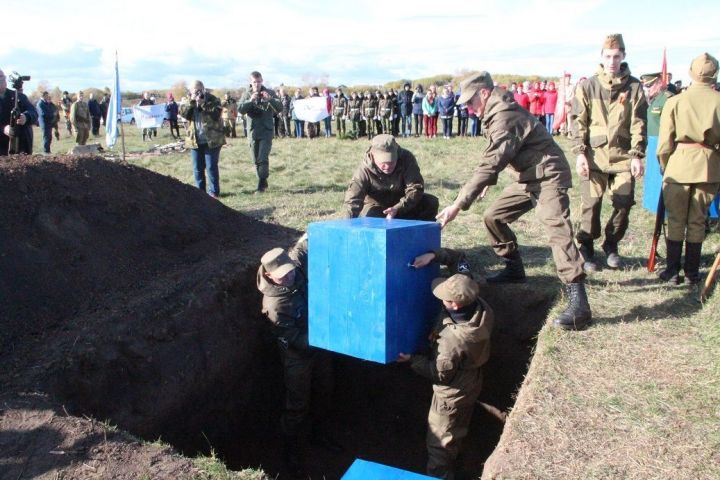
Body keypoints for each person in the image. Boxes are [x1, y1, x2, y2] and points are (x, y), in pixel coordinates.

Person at [436, 71, 592, 330]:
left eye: (471, 102)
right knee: (493, 217)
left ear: (484, 93)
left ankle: (579, 302)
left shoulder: (503, 116)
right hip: (528, 176)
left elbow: (492, 161)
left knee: (556, 228)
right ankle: (513, 268)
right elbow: (494, 158)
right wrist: (485, 183)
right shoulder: (494, 113)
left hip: (548, 175)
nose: (470, 109)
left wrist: (458, 204)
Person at [257, 236, 341, 476]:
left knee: (325, 389)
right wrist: (323, 340)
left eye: (290, 272)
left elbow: (302, 248)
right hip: (298, 356)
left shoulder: (293, 267)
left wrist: (313, 233)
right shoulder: (274, 304)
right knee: (297, 405)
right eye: (282, 276)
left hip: (319, 344)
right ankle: (291, 450)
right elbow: (291, 338)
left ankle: (319, 434)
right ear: (269, 276)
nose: (289, 277)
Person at [397, 273, 493, 479]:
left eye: (445, 299)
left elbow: (439, 374)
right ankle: (457, 452)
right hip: (472, 378)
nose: (441, 300)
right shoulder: (482, 308)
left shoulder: (452, 341)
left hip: (452, 392)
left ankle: (440, 473)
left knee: (440, 440)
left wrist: (412, 360)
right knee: (459, 425)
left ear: (455, 306)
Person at [570, 33, 647, 272]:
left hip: (623, 157)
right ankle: (586, 246)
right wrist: (580, 152)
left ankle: (611, 243)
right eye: (607, 56)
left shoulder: (634, 86)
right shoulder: (588, 86)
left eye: (616, 56)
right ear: (601, 57)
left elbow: (639, 123)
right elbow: (578, 120)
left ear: (623, 56)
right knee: (590, 205)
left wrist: (637, 155)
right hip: (594, 157)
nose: (612, 61)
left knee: (623, 203)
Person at [656, 53, 720, 285]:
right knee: (697, 220)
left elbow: (664, 144)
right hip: (709, 166)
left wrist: (666, 166)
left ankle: (672, 271)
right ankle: (692, 273)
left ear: (691, 73)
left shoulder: (675, 101)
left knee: (675, 219)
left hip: (679, 165)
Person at [344, 133, 439, 220]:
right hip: (377, 205)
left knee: (430, 203)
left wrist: (398, 207)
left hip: (404, 202)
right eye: (383, 163)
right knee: (369, 217)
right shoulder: (364, 170)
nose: (388, 166)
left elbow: (415, 188)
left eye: (392, 162)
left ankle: (419, 236)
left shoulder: (407, 158)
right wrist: (347, 226)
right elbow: (353, 200)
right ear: (373, 157)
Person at [179, 80, 226, 198]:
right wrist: (192, 102)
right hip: (195, 140)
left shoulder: (213, 99)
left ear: (203, 89)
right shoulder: (187, 100)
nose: (197, 92)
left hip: (212, 139)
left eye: (199, 90)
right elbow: (183, 114)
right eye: (194, 90)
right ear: (190, 91)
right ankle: (201, 194)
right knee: (197, 168)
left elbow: (216, 114)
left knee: (211, 166)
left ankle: (214, 193)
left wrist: (204, 103)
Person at [238, 71, 282, 192]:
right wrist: (250, 100)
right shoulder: (246, 94)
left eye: (258, 81)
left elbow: (280, 107)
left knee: (263, 157)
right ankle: (263, 180)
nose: (256, 84)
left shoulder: (270, 92)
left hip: (266, 130)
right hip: (252, 131)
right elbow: (240, 109)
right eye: (254, 82)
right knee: (255, 159)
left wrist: (270, 99)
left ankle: (261, 183)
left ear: (262, 81)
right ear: (250, 83)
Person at [0, 69, 37, 156]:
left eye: (2, 77)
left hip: (22, 147)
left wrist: (26, 117)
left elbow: (33, 112)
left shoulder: (19, 96)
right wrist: (3, 129)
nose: (2, 80)